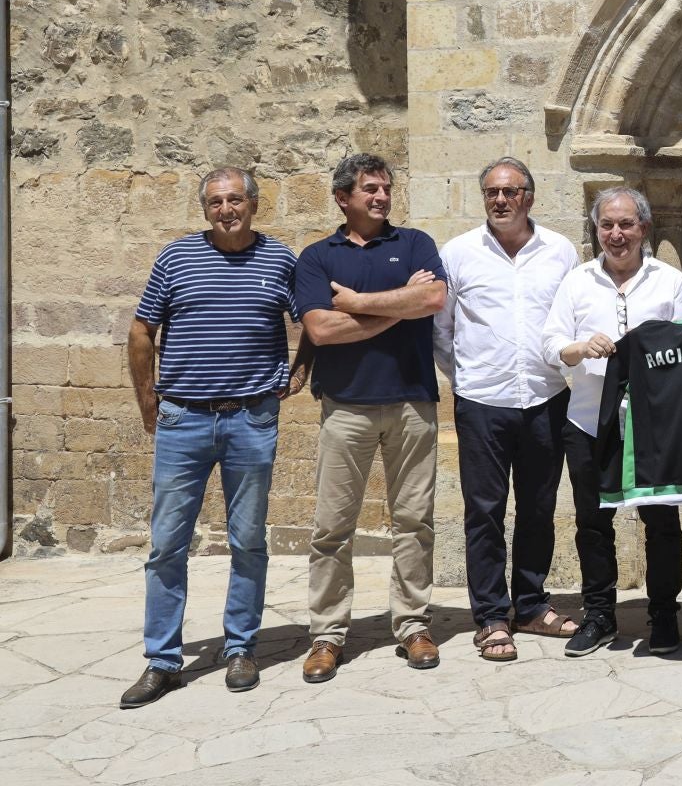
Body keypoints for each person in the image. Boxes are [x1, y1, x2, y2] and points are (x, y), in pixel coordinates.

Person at [119, 167, 303, 708]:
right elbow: (141, 330)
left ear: (254, 204)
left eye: (236, 200)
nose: (227, 209)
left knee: (248, 540)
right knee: (167, 545)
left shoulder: (280, 259)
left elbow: (311, 319)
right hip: (184, 420)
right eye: (216, 201)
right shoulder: (176, 258)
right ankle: (162, 660)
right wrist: (148, 401)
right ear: (205, 209)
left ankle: (240, 647)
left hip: (251, 419)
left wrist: (300, 370)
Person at [295, 153, 448, 683]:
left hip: (412, 403)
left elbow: (433, 296)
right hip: (344, 407)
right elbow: (321, 331)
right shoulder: (317, 256)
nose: (381, 197)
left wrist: (358, 302)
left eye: (386, 188)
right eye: (369, 189)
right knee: (332, 528)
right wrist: (397, 308)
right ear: (343, 197)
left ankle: (411, 624)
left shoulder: (415, 244)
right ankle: (327, 634)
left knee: (414, 521)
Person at [433, 158, 581, 663]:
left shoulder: (560, 251)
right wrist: (469, 376)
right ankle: (493, 616)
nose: (500, 200)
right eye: (492, 192)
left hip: (545, 396)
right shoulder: (458, 254)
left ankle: (533, 605)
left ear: (529, 198)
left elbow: (571, 317)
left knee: (539, 509)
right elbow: (442, 330)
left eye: (510, 192)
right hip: (481, 402)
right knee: (484, 512)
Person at [541, 187, 682, 658]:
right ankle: (600, 615)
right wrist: (581, 347)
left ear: (644, 229)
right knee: (592, 522)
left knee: (662, 521)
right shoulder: (577, 282)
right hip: (589, 421)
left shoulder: (668, 281)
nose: (616, 233)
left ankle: (664, 615)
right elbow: (550, 345)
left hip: (653, 427)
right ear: (597, 229)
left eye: (626, 224)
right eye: (607, 225)